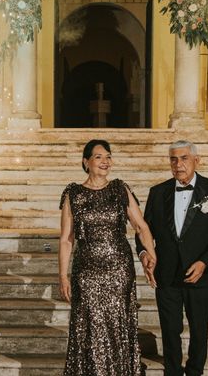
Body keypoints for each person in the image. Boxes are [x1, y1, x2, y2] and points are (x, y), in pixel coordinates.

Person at [59, 139, 157, 376]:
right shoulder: (73, 194)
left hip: (119, 270)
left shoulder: (119, 189)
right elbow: (66, 239)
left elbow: (140, 226)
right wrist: (63, 275)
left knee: (117, 324)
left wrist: (151, 254)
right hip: (86, 271)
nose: (105, 162)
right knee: (89, 327)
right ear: (86, 162)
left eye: (108, 157)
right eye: (99, 157)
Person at [134, 140, 208, 376]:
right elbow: (143, 232)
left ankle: (195, 371)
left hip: (199, 274)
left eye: (184, 158)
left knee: (199, 329)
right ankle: (173, 371)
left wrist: (205, 263)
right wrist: (145, 252)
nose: (178, 164)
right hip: (166, 274)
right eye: (173, 159)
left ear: (196, 160)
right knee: (169, 329)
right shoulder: (157, 193)